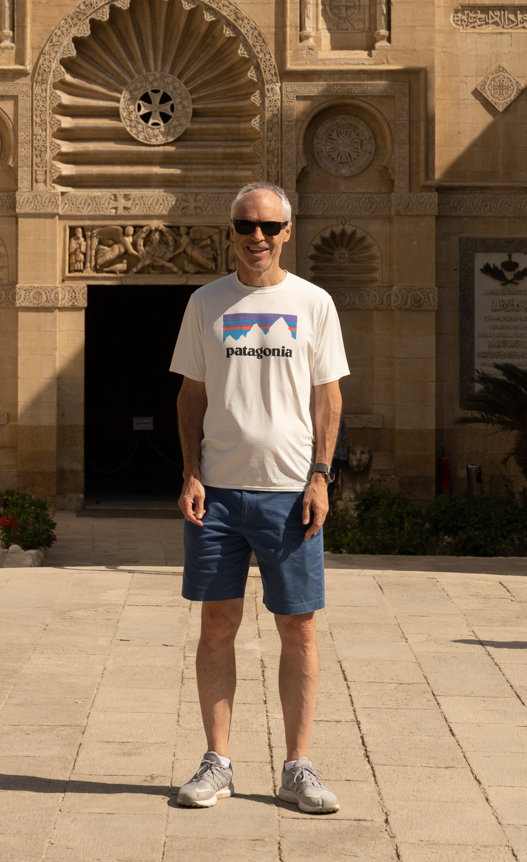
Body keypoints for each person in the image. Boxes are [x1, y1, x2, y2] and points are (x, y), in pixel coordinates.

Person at [168, 181, 348, 814]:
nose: (257, 238)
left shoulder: (314, 303)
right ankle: (217, 762)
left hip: (289, 495)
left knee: (297, 629)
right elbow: (191, 394)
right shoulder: (206, 303)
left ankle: (297, 767)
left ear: (287, 232)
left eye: (269, 227)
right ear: (232, 231)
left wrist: (322, 476)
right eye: (246, 226)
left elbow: (329, 396)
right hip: (217, 495)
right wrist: (191, 473)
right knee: (218, 626)